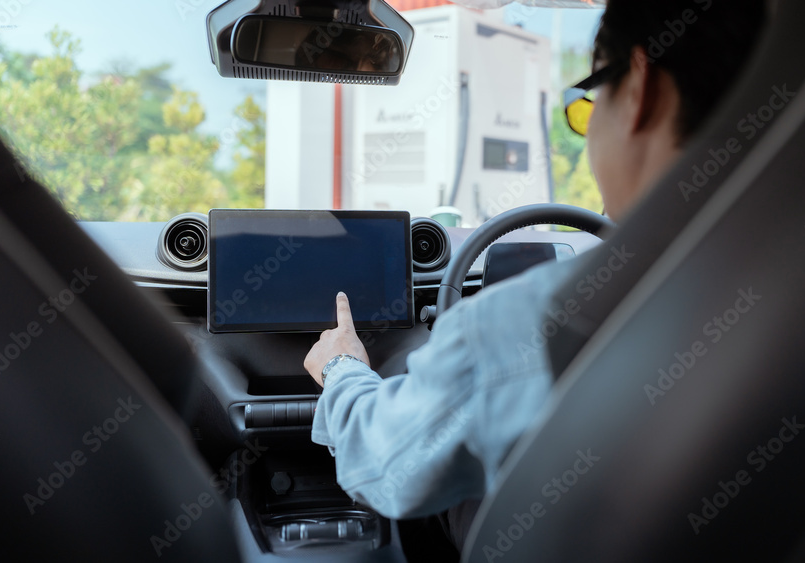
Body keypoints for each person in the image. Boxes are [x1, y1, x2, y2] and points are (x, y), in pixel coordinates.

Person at [304, 0, 767, 551]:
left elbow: (390, 464)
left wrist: (343, 370)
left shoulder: (523, 321)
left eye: (589, 104)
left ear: (642, 88)